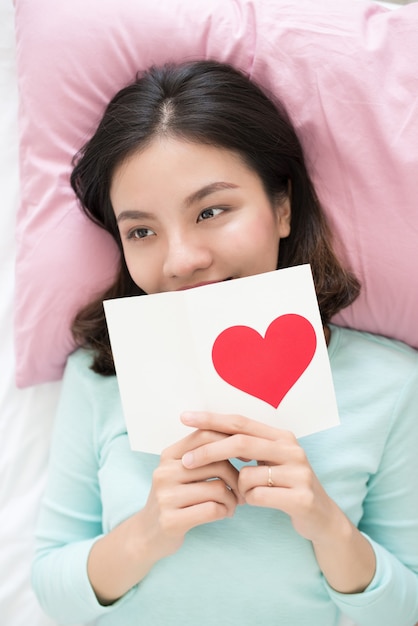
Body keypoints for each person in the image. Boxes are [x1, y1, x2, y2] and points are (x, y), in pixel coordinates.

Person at [32, 60, 418, 626]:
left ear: (282, 206)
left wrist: (325, 523)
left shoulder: (390, 383)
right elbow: (48, 590)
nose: (181, 259)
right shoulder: (99, 376)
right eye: (141, 230)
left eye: (212, 211)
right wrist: (147, 532)